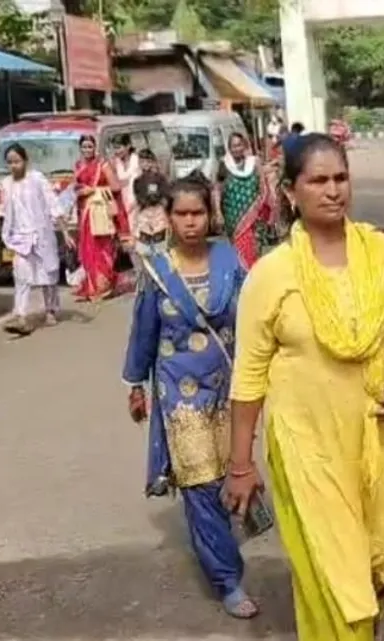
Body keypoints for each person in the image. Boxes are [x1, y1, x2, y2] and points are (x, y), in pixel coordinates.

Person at [223, 133, 384, 641]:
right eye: (318, 180)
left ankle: (363, 613)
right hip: (309, 447)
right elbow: (248, 375)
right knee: (340, 585)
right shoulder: (272, 275)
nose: (333, 190)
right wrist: (240, 465)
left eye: (340, 178)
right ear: (291, 192)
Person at [122, 176, 257, 619]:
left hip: (229, 389)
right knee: (200, 484)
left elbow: (256, 315)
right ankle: (227, 577)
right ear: (169, 217)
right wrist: (135, 385)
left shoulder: (230, 259)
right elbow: (144, 328)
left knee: (228, 473)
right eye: (181, 214)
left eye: (197, 213)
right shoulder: (158, 268)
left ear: (209, 213)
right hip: (178, 395)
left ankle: (226, 539)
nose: (190, 222)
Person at [0, 144, 71, 335]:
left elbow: (53, 204)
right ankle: (21, 316)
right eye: (10, 163)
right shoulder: (6, 184)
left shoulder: (37, 179)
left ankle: (51, 310)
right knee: (21, 276)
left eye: (17, 161)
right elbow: (5, 213)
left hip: (41, 234)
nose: (13, 166)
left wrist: (65, 232)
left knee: (47, 275)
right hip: (20, 237)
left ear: (25, 161)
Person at [72, 134, 128, 301]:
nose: (87, 150)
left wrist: (93, 191)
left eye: (90, 147)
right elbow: (76, 186)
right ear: (80, 148)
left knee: (102, 249)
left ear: (94, 148)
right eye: (84, 147)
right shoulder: (78, 165)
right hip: (85, 213)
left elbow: (116, 187)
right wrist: (80, 192)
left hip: (100, 212)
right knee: (88, 250)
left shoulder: (102, 165)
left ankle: (103, 286)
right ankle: (91, 286)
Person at [213, 132, 275, 268]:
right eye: (233, 146)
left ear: (244, 146)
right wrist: (218, 213)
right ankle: (242, 277)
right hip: (233, 217)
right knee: (238, 250)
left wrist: (268, 209)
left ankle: (254, 278)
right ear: (229, 148)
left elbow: (263, 186)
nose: (237, 149)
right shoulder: (224, 165)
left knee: (254, 250)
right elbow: (217, 189)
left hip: (255, 217)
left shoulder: (254, 162)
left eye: (239, 145)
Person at [132, 149, 169, 241]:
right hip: (144, 212)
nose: (145, 164)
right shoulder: (137, 180)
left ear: (153, 162)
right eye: (142, 161)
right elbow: (137, 196)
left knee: (159, 238)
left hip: (157, 211)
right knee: (144, 239)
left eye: (148, 161)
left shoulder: (159, 178)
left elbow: (163, 195)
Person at [111, 134, 142, 228]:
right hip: (123, 202)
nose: (116, 151)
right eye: (114, 148)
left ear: (128, 146)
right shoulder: (116, 163)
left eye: (119, 147)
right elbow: (115, 183)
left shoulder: (137, 160)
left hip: (138, 201)